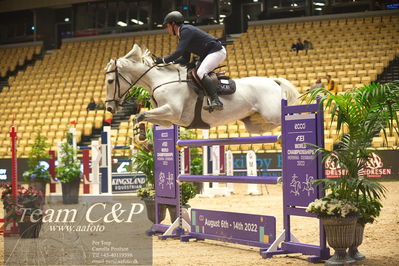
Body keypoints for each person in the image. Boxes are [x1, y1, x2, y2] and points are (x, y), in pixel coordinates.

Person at [155, 11, 226, 111]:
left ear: (173, 24)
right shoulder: (183, 35)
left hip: (217, 51)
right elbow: (185, 59)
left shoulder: (186, 30)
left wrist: (163, 60)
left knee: (201, 72)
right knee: (192, 70)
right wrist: (169, 64)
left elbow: (179, 52)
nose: (168, 29)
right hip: (208, 53)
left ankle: (216, 101)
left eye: (168, 26)